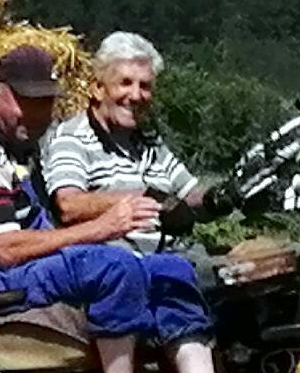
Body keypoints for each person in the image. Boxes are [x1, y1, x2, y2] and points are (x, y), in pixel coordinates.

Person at [0, 44, 282, 373]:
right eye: (25, 102)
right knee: (113, 264)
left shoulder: (18, 148)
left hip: (17, 268)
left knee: (169, 268)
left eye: (45, 103)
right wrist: (104, 228)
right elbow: (4, 250)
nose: (37, 114)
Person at [40, 33, 207, 252]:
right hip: (123, 263)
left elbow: (191, 194)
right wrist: (148, 198)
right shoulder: (73, 138)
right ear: (98, 89)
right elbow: (69, 205)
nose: (136, 96)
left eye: (145, 86)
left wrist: (225, 196)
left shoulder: (150, 144)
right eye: (125, 83)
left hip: (177, 252)